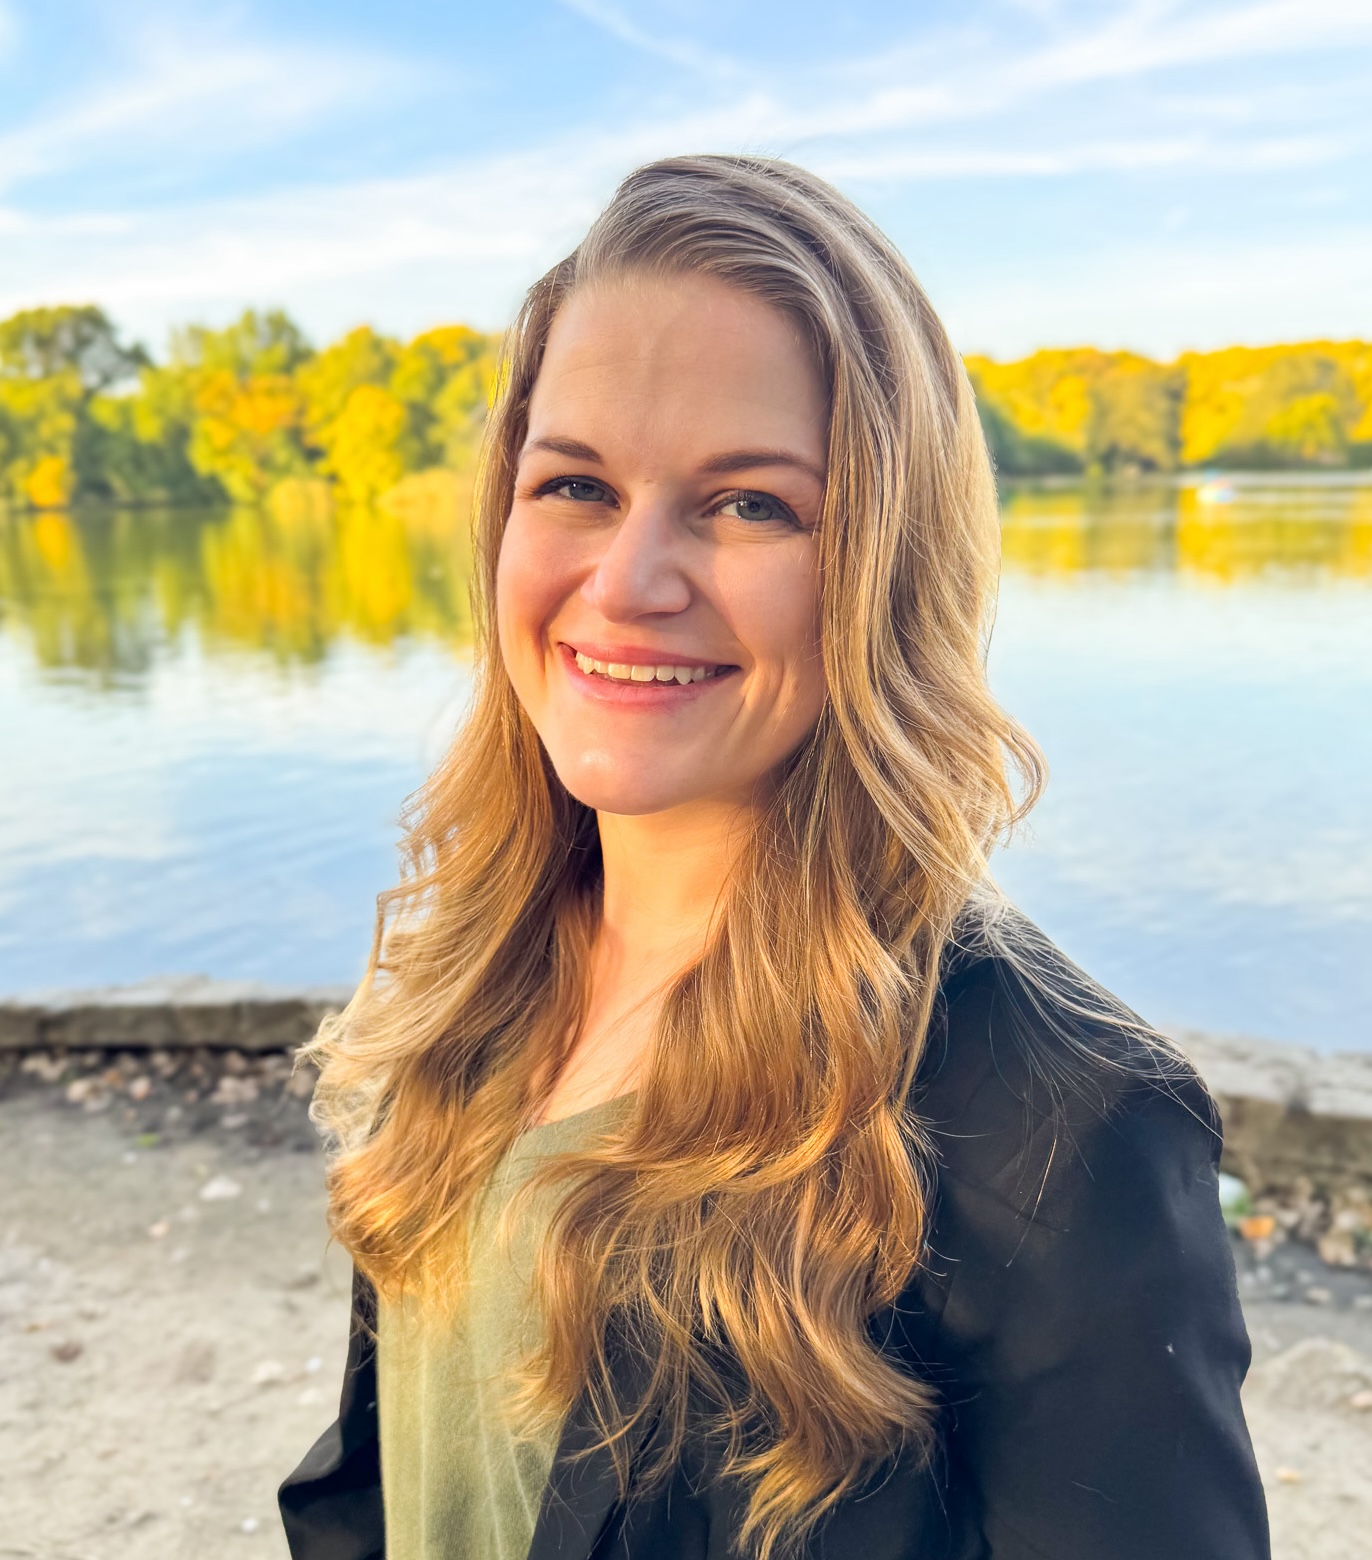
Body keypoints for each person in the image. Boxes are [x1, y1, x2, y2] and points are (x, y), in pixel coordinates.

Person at [278, 155, 1270, 1560]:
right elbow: (386, 1490)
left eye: (751, 504)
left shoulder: (1056, 1125)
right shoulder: (471, 984)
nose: (628, 583)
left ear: (886, 564)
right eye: (575, 484)